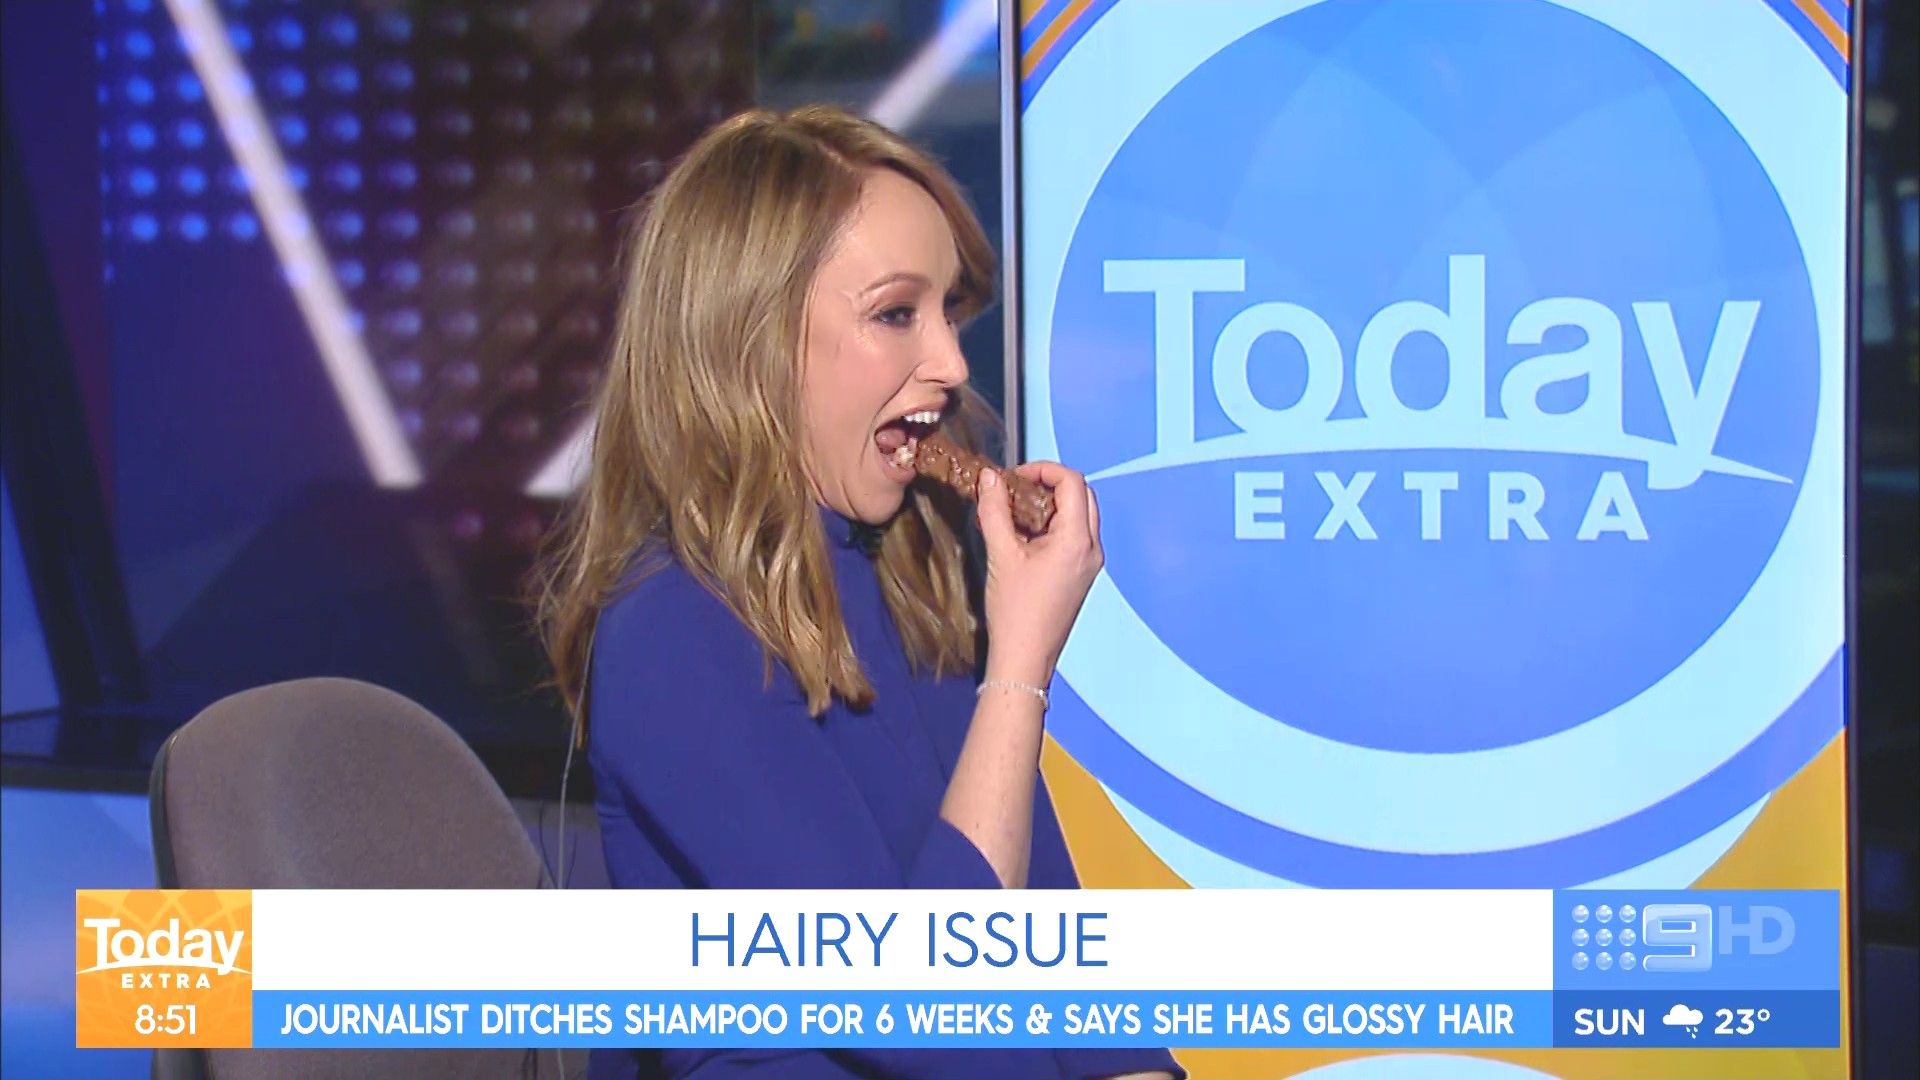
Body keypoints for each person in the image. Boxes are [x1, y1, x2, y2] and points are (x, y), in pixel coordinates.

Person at [535, 106, 1182, 1080]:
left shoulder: (917, 578)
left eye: (949, 312)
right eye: (895, 314)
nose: (952, 365)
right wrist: (1020, 671)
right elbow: (921, 1017)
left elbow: (1070, 978)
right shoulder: (672, 631)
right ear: (750, 343)